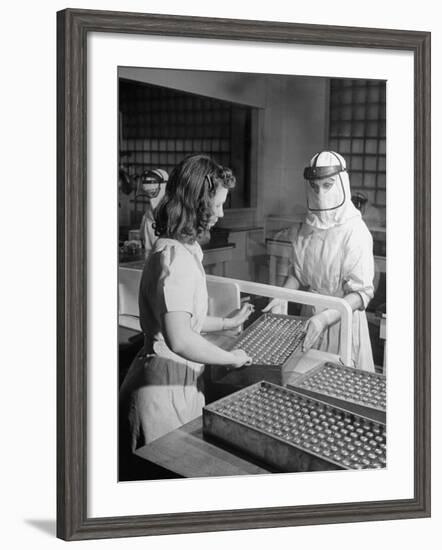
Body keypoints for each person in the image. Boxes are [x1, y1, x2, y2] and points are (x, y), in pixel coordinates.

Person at [119, 154, 254, 455]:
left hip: (174, 379)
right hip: (160, 388)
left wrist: (226, 323)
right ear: (196, 203)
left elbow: (180, 318)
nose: (220, 213)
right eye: (216, 204)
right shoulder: (175, 259)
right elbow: (179, 338)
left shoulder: (180, 247)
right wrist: (230, 358)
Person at [264, 151, 375, 372]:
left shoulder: (355, 231)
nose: (321, 194)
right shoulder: (308, 227)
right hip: (311, 321)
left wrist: (325, 318)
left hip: (341, 322)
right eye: (315, 187)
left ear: (341, 183)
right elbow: (298, 274)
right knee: (306, 383)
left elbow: (361, 294)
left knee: (339, 387)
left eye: (328, 185)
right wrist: (282, 297)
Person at [137, 168, 168, 257]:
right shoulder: (147, 215)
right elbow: (142, 239)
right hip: (150, 260)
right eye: (146, 181)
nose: (148, 183)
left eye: (151, 182)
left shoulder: (173, 212)